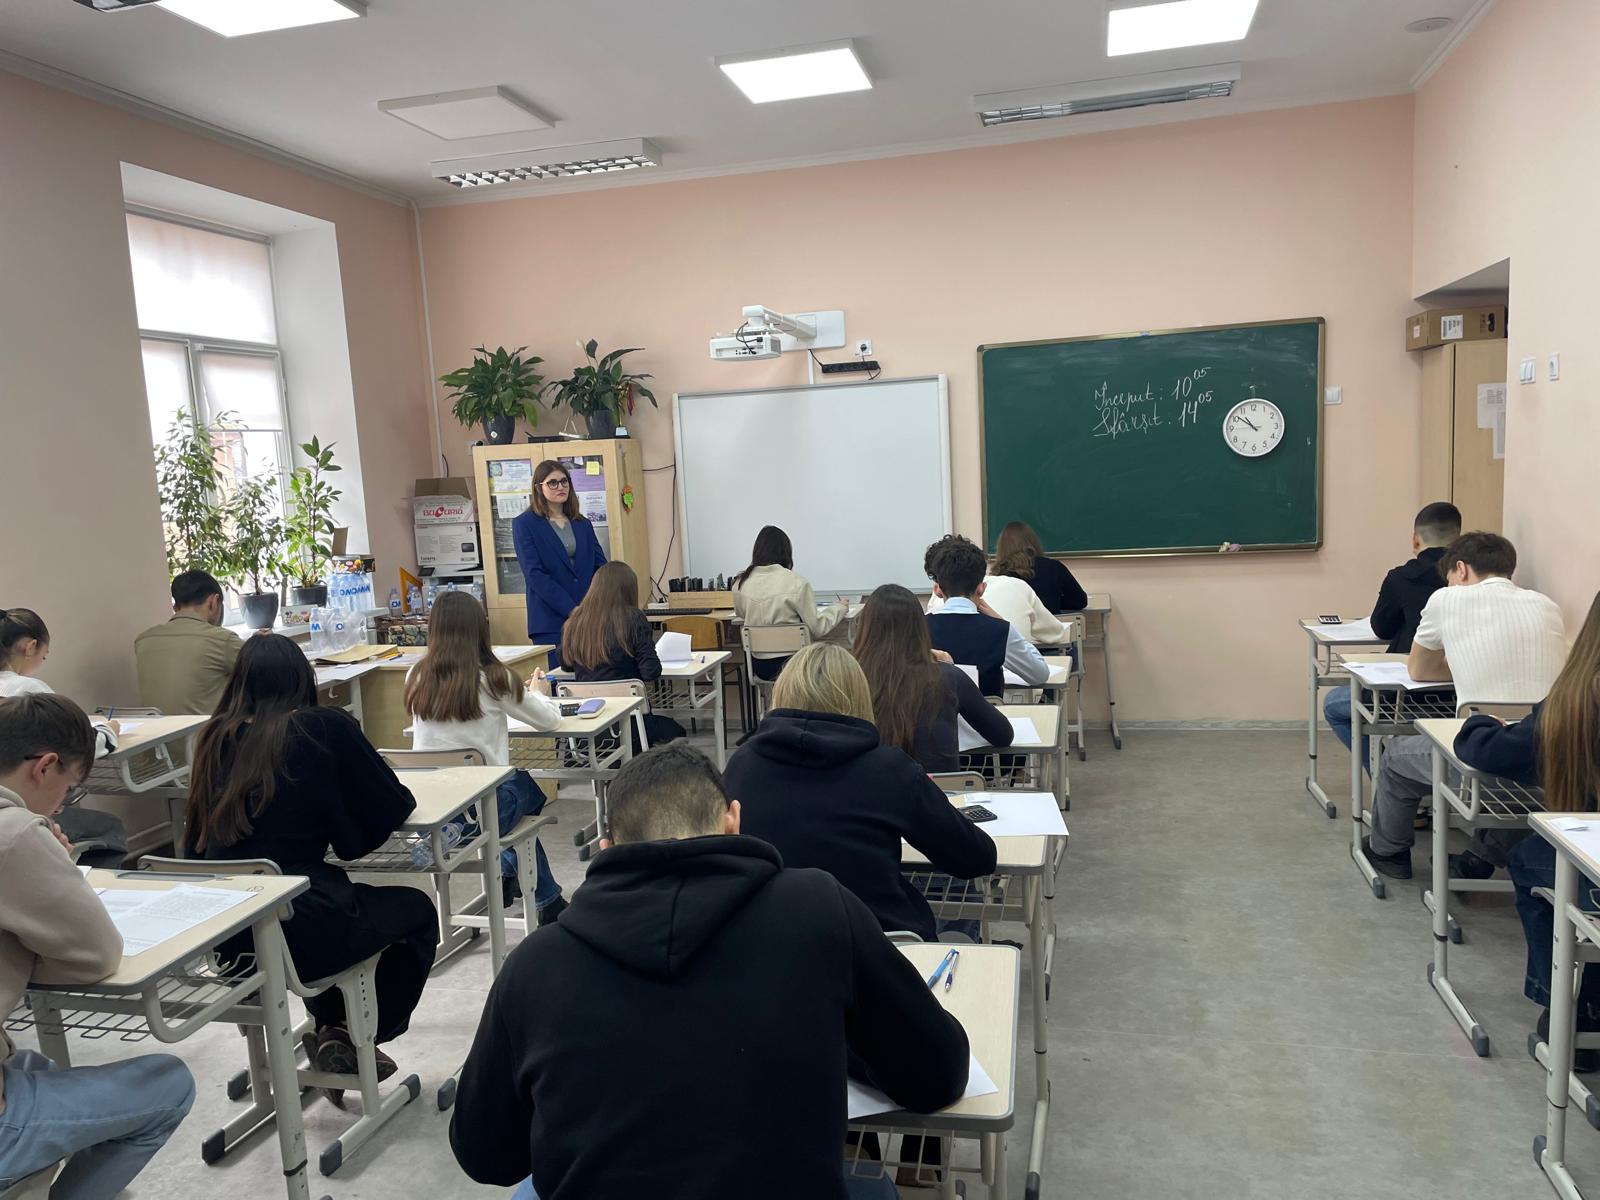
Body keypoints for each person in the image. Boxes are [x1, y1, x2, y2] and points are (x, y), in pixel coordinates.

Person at [449, 742, 969, 1200]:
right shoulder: (820, 908)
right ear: (733, 821)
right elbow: (937, 1076)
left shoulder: (534, 965)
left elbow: (486, 1156)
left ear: (607, 848)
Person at [186, 635, 438, 1079]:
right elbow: (385, 810)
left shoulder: (213, 737)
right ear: (302, 678)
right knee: (412, 910)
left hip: (227, 937)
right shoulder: (322, 727)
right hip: (298, 926)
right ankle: (353, 1034)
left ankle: (330, 1030)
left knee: (327, 909)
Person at [0, 693, 196, 1198]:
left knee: (36, 1067)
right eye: (70, 789)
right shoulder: (16, 832)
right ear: (45, 767)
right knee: (169, 1083)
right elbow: (97, 956)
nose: (63, 805)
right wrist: (59, 863)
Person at [725, 643, 996, 941]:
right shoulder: (891, 770)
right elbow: (976, 859)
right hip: (882, 948)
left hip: (772, 946)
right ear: (860, 696)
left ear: (781, 692)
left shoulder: (741, 765)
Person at [1362, 532, 1567, 880]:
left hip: (1482, 767)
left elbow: (1419, 670)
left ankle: (1388, 851)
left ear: (1461, 569)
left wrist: (1461, 663)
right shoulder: (1546, 605)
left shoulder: (1447, 598)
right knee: (1515, 765)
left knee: (1395, 755)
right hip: (1554, 765)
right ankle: (1478, 859)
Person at [1455, 590, 1600, 1067]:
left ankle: (1575, 1012)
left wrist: (1479, 723)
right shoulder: (1542, 606)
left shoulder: (1579, 701)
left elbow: (1490, 751)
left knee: (1533, 856)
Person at [406, 591, 568, 924]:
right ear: (480, 628)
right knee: (524, 787)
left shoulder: (416, 676)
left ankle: (511, 872)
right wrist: (538, 692)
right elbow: (549, 721)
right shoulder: (494, 678)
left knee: (513, 794)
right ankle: (532, 885)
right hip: (485, 811)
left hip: (432, 811)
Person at [1324, 502, 1460, 752]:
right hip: (1460, 693)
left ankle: (1385, 767)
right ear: (1459, 540)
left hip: (1405, 694)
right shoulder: (1471, 578)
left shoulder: (1401, 577)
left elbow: (1382, 629)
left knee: (1333, 704)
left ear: (1415, 540)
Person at [0, 608, 125, 863]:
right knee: (107, 826)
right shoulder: (28, 690)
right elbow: (79, 745)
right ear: (30, 647)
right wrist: (107, 731)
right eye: (43, 656)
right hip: (22, 812)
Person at [853, 583, 1014, 772]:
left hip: (869, 787)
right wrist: (950, 667)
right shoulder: (948, 677)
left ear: (865, 629)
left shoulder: (849, 679)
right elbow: (1003, 735)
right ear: (920, 629)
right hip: (938, 788)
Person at [559, 561, 684, 748]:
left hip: (587, 730)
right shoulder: (634, 618)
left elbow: (566, 664)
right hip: (630, 727)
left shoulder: (575, 620)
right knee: (677, 732)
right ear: (628, 590)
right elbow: (651, 671)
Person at [922, 535, 1049, 696]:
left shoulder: (918, 629)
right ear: (981, 588)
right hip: (987, 712)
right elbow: (1039, 675)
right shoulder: (999, 630)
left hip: (934, 712)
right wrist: (1003, 623)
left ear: (938, 590)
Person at [731, 525, 849, 681]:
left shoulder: (741, 583)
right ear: (785, 552)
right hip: (794, 667)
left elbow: (740, 613)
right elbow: (818, 628)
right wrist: (840, 607)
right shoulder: (797, 582)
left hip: (759, 667)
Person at [513, 460, 606, 655]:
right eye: (552, 483)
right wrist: (571, 608)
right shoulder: (525, 524)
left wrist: (594, 606)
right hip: (550, 619)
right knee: (557, 674)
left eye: (564, 481)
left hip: (588, 616)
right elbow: (534, 574)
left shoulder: (582, 523)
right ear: (538, 488)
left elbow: (601, 567)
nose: (560, 487)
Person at [134, 569, 242, 716]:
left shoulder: (143, 640)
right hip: (207, 730)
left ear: (175, 608)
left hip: (157, 731)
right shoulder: (223, 640)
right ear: (214, 602)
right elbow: (265, 671)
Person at [992, 521, 1087, 614]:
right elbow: (1080, 601)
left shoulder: (1001, 572)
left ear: (1002, 546)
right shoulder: (1054, 566)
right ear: (1033, 541)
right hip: (1051, 623)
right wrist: (1053, 601)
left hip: (1020, 623)